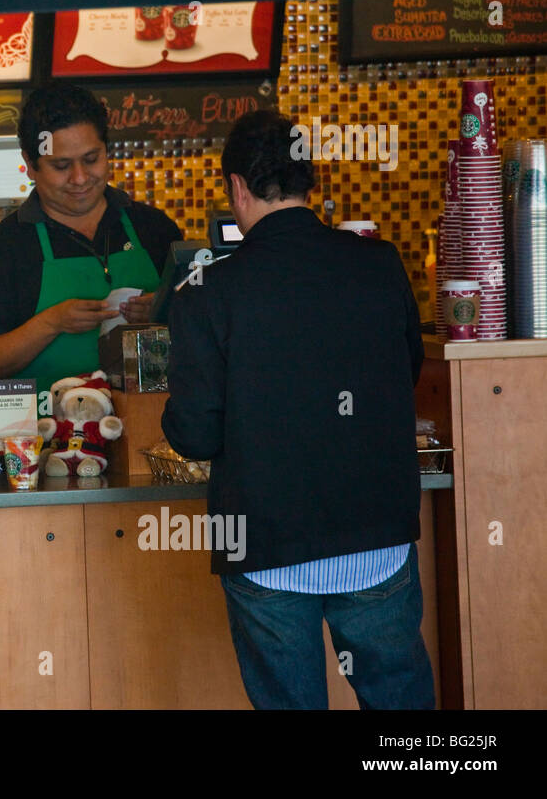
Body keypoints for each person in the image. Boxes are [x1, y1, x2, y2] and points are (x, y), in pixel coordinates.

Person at [161, 109, 432, 709]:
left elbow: (197, 435)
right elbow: (405, 372)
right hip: (377, 541)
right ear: (312, 182)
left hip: (266, 552)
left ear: (236, 186)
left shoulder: (208, 290)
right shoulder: (379, 264)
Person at [0, 81, 182, 391]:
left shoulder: (155, 229)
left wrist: (165, 311)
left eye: (91, 159)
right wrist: (52, 323)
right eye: (61, 165)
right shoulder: (3, 248)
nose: (79, 178)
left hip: (153, 431)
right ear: (30, 165)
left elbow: (210, 332)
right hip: (45, 435)